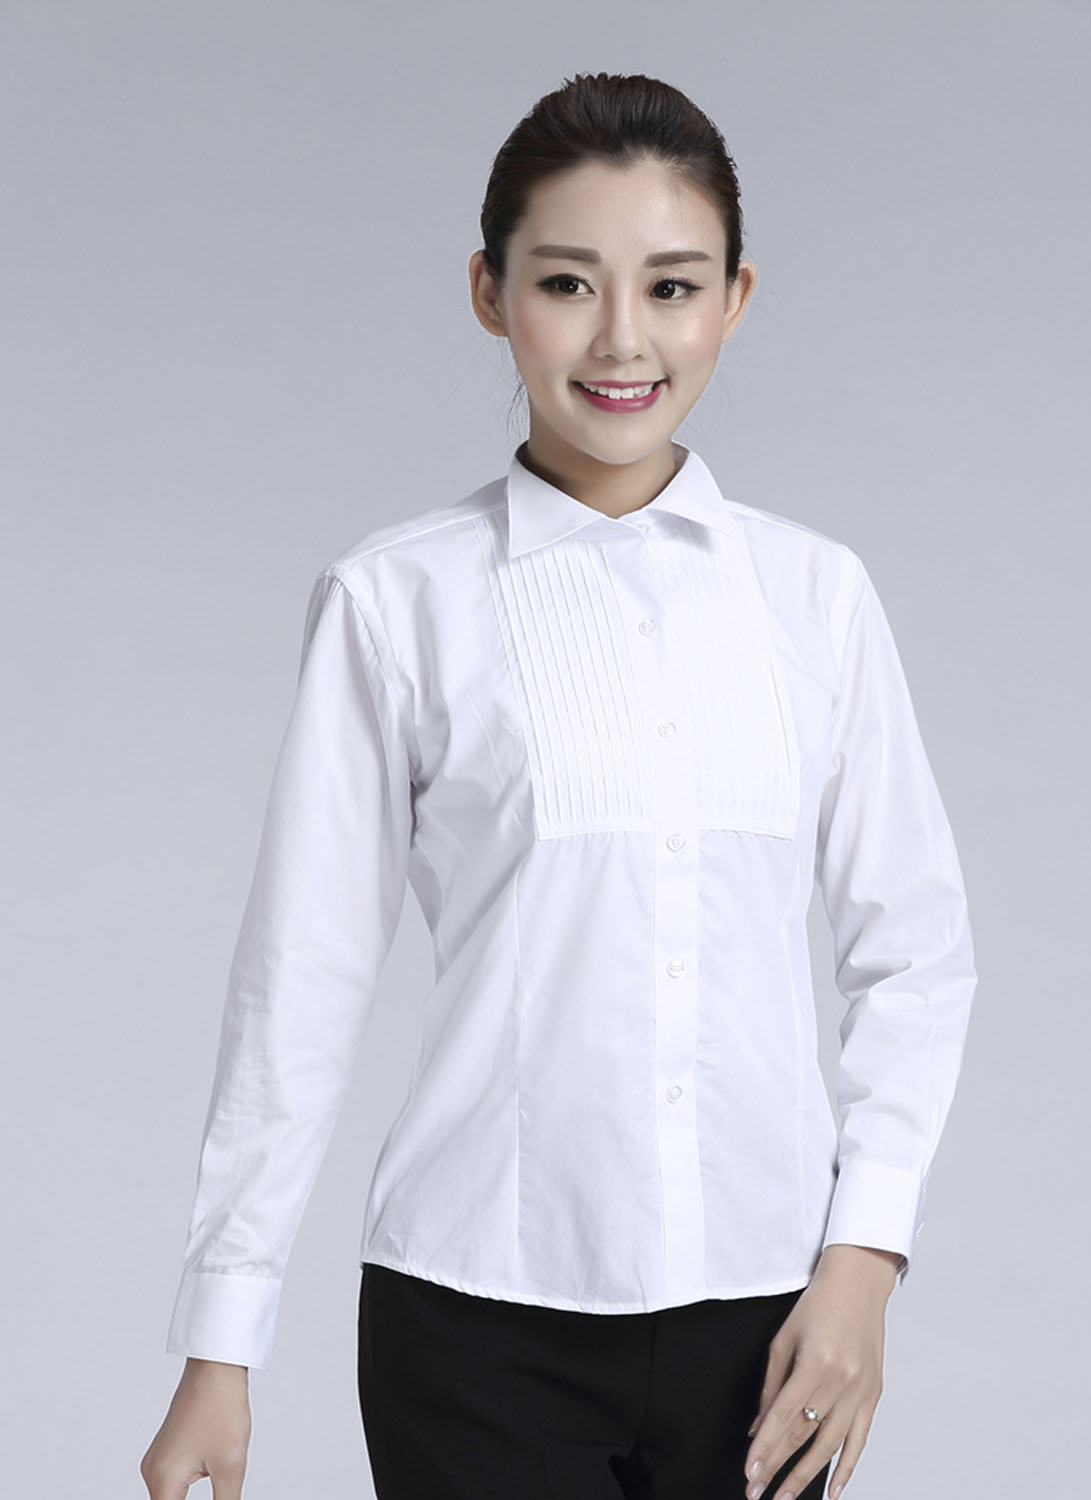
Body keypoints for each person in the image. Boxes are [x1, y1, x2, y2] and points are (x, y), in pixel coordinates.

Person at [141, 71, 976, 1500]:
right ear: (490, 293)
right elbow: (302, 980)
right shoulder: (396, 603)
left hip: (772, 1324)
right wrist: (222, 1342)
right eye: (567, 283)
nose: (621, 338)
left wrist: (864, 1260)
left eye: (671, 286)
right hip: (474, 1321)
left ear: (735, 300)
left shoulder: (816, 600)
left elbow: (917, 952)